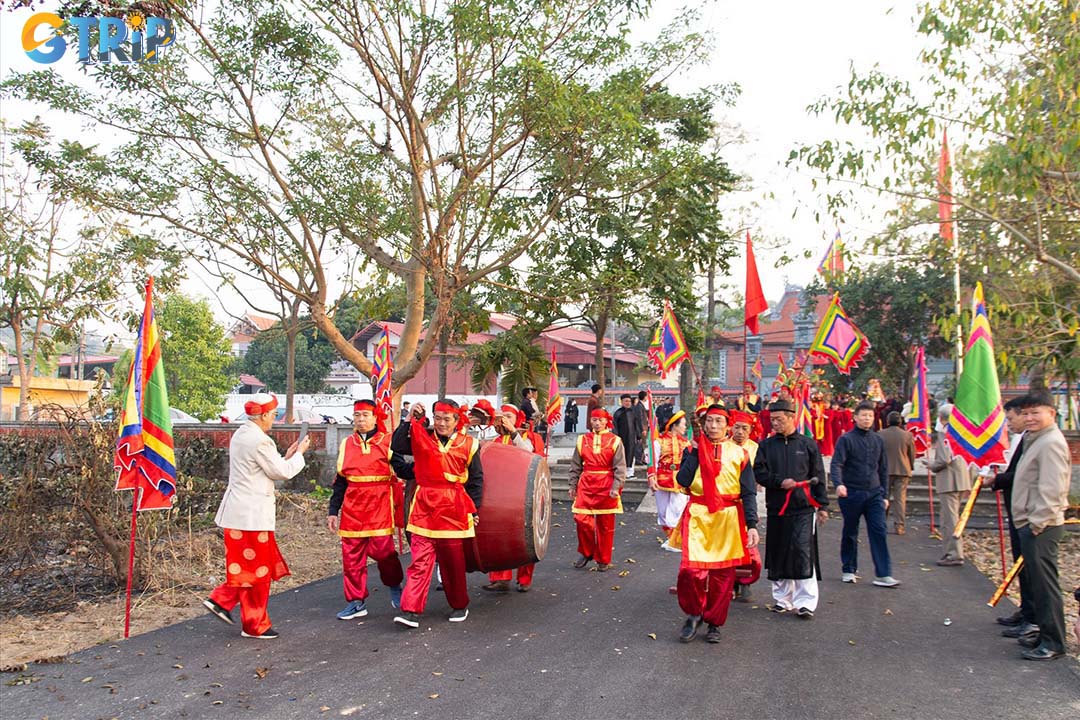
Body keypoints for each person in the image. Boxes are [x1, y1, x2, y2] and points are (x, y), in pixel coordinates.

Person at [203, 394, 311, 639]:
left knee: (254, 567)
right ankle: (226, 603)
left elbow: (265, 469)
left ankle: (247, 619)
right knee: (258, 571)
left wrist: (288, 455)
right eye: (273, 415)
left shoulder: (242, 434)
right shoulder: (261, 441)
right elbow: (281, 472)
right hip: (252, 516)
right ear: (263, 415)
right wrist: (300, 454)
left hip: (238, 514)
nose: (274, 419)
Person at [391, 400, 483, 628]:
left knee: (452, 563)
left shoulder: (469, 444)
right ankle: (410, 610)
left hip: (453, 508)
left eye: (446, 419)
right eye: (437, 418)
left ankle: (459, 604)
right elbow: (398, 445)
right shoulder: (422, 437)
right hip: (424, 506)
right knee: (420, 561)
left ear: (456, 420)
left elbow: (476, 480)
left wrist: (475, 509)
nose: (441, 423)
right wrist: (408, 418)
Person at [671, 406, 759, 643]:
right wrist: (695, 452)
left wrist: (752, 524)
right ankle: (694, 613)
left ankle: (714, 622)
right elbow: (683, 480)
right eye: (709, 421)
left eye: (719, 421)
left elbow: (749, 492)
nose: (713, 426)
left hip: (729, 517)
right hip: (699, 514)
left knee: (722, 577)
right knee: (691, 571)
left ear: (727, 425)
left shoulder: (740, 453)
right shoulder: (693, 449)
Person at [327, 399, 408, 620]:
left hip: (380, 504)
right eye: (357, 415)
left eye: (365, 415)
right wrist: (333, 511)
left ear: (375, 417)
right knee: (351, 557)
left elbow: (401, 467)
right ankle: (356, 601)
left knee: (384, 552)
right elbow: (340, 482)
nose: (361, 420)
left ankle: (394, 584)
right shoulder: (347, 444)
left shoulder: (388, 441)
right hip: (353, 507)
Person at [1009, 391, 1071, 661]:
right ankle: (1045, 632)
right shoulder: (1037, 439)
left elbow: (1053, 488)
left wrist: (1037, 523)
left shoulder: (1051, 443)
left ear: (1052, 414)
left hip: (1041, 526)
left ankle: (1054, 642)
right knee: (1036, 584)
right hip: (1031, 522)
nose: (1029, 418)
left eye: (1036, 413)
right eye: (1026, 413)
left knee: (1045, 586)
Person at [753, 399, 829, 618]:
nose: (774, 424)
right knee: (778, 551)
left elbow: (818, 475)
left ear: (791, 417)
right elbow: (759, 473)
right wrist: (778, 482)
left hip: (804, 508)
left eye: (778, 419)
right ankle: (782, 598)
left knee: (803, 552)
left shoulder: (808, 444)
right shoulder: (766, 446)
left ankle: (805, 602)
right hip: (777, 507)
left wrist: (822, 505)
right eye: (772, 420)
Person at [830, 400, 899, 588]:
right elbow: (837, 464)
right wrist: (839, 484)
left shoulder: (878, 440)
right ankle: (849, 569)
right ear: (855, 418)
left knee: (879, 530)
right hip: (852, 492)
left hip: (875, 493)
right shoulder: (846, 439)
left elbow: (883, 469)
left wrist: (885, 495)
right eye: (863, 415)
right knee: (850, 531)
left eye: (870, 416)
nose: (867, 419)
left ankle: (884, 574)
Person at [483, 405, 544, 593]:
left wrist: (513, 432)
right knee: (498, 536)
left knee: (525, 538)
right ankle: (500, 578)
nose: (503, 420)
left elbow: (530, 454)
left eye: (507, 416)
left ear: (517, 418)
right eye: (500, 417)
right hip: (501, 498)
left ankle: (524, 579)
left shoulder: (532, 438)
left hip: (526, 494)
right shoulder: (495, 441)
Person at [988, 398, 1036, 634]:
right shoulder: (1024, 439)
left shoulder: (1039, 441)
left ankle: (1033, 618)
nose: (1008, 424)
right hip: (1018, 511)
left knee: (1030, 569)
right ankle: (1026, 610)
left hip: (1031, 515)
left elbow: (1024, 476)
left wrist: (997, 480)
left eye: (1010, 419)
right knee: (1021, 566)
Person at [567, 408, 626, 571]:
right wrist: (572, 484)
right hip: (586, 484)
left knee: (605, 525)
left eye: (600, 420)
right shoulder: (582, 440)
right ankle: (587, 552)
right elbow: (575, 465)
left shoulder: (615, 440)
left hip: (607, 485)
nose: (597, 423)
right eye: (594, 420)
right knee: (581, 519)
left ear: (606, 421)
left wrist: (616, 486)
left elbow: (620, 467)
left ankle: (603, 559)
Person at [927, 406, 973, 566]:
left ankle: (954, 553)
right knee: (952, 517)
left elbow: (943, 459)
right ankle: (952, 551)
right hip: (962, 478)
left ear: (941, 417)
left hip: (949, 481)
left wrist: (931, 465)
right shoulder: (964, 432)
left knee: (950, 519)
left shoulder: (945, 433)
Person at [728, 410, 762, 602]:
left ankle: (745, 581)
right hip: (728, 505)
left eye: (744, 428)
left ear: (751, 430)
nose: (740, 432)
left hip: (746, 502)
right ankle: (731, 583)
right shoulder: (724, 446)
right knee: (728, 546)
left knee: (747, 545)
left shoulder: (755, 448)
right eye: (737, 427)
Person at [647, 410, 692, 543]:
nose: (685, 427)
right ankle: (670, 536)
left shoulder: (686, 443)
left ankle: (675, 539)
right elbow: (653, 461)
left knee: (677, 508)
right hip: (662, 479)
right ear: (674, 425)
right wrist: (651, 477)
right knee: (662, 511)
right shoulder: (659, 442)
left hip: (680, 480)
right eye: (683, 424)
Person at [879, 411, 916, 535]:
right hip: (903, 469)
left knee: (884, 497)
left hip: (885, 470)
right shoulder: (907, 435)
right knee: (900, 499)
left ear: (887, 421)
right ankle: (899, 526)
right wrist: (910, 465)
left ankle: (881, 523)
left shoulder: (880, 434)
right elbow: (912, 453)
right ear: (900, 422)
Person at [612, 394, 643, 478]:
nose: (628, 403)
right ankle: (622, 473)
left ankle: (630, 473)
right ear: (621, 402)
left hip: (631, 438)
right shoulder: (618, 413)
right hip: (621, 438)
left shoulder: (633, 412)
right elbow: (614, 426)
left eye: (629, 401)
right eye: (626, 401)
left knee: (631, 455)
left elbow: (636, 425)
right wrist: (616, 438)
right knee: (622, 455)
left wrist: (639, 435)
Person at [633, 390, 649, 465]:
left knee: (643, 444)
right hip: (641, 428)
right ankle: (638, 459)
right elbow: (639, 418)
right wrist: (642, 429)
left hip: (644, 427)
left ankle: (642, 458)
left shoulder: (641, 405)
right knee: (640, 444)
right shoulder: (639, 406)